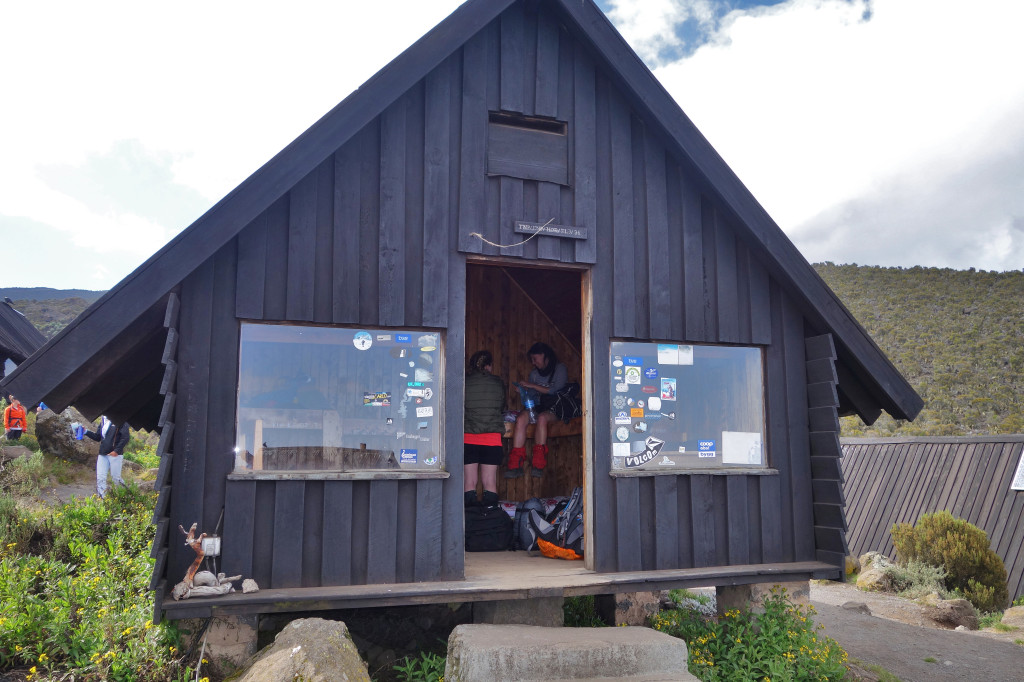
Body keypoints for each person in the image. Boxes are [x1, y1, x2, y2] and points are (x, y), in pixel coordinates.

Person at [506, 342, 567, 478]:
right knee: (521, 419)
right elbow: (533, 396)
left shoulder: (559, 368)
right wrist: (524, 390)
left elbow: (554, 390)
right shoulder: (534, 374)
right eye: (532, 360)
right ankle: (515, 465)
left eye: (535, 359)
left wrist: (531, 385)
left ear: (544, 355)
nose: (533, 363)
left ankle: (538, 464)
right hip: (537, 406)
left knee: (542, 419)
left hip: (555, 407)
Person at [464, 350, 505, 507]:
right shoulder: (497, 382)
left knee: (469, 483)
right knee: (490, 483)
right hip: (492, 439)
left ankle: (470, 523)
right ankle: (488, 519)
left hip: (469, 437)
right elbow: (501, 406)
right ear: (489, 365)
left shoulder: (465, 382)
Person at [84, 416, 130, 497]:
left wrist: (116, 451)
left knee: (116, 478)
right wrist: (86, 431)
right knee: (100, 477)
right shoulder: (103, 420)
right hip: (103, 454)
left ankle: (124, 497)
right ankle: (102, 499)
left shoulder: (120, 420)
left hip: (115, 455)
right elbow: (97, 437)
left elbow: (125, 437)